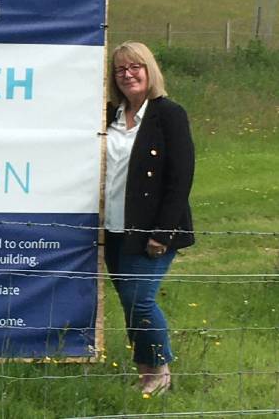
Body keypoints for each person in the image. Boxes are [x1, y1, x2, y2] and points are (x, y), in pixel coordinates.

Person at [103, 41, 195, 396]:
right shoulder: (109, 114)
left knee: (140, 299)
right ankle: (146, 373)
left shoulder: (169, 114)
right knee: (129, 300)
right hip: (112, 229)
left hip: (151, 231)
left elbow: (180, 177)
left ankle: (159, 370)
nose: (127, 75)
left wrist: (163, 232)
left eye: (134, 67)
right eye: (120, 70)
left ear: (149, 70)